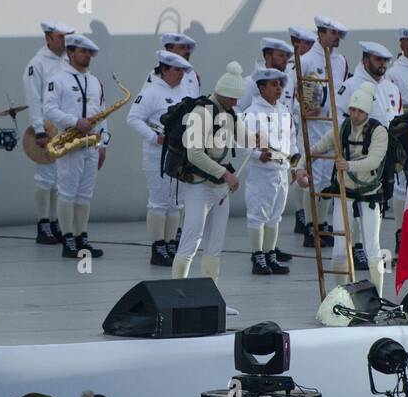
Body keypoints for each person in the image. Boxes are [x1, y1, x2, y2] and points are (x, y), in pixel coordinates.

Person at [303, 81, 390, 293]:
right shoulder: (341, 128)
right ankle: (341, 295)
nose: (355, 114)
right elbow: (317, 148)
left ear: (367, 112)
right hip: (344, 193)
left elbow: (374, 161)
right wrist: (300, 166)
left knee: (372, 247)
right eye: (352, 109)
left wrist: (348, 165)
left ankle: (377, 296)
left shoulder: (379, 132)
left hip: (370, 194)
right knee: (340, 250)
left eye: (360, 111)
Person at [171, 62, 245, 282]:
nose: (236, 102)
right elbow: (194, 154)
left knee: (215, 245)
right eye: (232, 98)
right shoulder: (201, 113)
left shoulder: (229, 112)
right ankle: (177, 294)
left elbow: (243, 137)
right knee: (190, 242)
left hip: (219, 189)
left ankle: (212, 297)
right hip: (198, 186)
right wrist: (226, 174)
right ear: (221, 93)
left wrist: (258, 139)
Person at [335, 40, 403, 270]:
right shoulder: (351, 85)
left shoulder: (391, 87)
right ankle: (357, 248)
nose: (382, 64)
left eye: (385, 60)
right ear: (366, 60)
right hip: (356, 155)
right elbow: (338, 121)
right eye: (377, 60)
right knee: (354, 205)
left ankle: (369, 246)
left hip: (385, 155)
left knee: (378, 204)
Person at [42, 33, 110, 259]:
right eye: (82, 51)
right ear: (70, 52)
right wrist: (74, 122)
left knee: (85, 195)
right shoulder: (58, 79)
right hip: (70, 142)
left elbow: (103, 114)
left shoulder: (95, 81)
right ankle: (68, 239)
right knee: (67, 193)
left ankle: (82, 238)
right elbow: (49, 110)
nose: (87, 56)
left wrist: (104, 143)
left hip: (91, 144)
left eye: (89, 52)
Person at [126, 50, 194, 266]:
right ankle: (158, 248)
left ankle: (171, 243)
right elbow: (133, 118)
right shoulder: (151, 92)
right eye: (176, 70)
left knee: (176, 202)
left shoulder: (186, 91)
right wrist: (154, 137)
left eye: (183, 70)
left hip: (179, 154)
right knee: (158, 202)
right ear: (164, 69)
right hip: (157, 155)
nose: (181, 74)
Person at [241, 66, 298, 275]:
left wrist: (295, 165)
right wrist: (257, 154)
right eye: (273, 84)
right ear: (261, 87)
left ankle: (270, 254)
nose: (279, 88)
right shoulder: (251, 113)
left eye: (280, 84)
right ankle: (258, 256)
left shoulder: (284, 111)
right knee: (258, 215)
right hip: (261, 172)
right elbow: (241, 142)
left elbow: (291, 140)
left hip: (281, 171)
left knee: (275, 215)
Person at [24, 20, 76, 245]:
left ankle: (55, 221)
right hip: (48, 127)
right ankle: (43, 222)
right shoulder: (38, 64)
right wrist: (39, 129)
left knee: (60, 178)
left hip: (66, 127)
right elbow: (33, 98)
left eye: (67, 37)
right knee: (45, 177)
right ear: (48, 38)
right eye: (60, 37)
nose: (65, 41)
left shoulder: (69, 61)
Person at [299, 16, 350, 246]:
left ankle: (323, 224)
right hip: (313, 127)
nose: (336, 37)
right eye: (332, 33)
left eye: (339, 34)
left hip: (333, 126)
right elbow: (294, 94)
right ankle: (311, 226)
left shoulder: (341, 62)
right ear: (320, 33)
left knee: (329, 178)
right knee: (313, 178)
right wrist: (304, 111)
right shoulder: (306, 60)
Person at [287, 25, 319, 236]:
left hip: (310, 126)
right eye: (306, 43)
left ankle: (308, 218)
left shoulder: (314, 67)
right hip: (293, 126)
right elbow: (288, 100)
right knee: (298, 169)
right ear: (296, 44)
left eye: (311, 43)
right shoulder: (291, 68)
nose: (309, 47)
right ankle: (301, 214)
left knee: (308, 170)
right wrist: (302, 110)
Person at [145, 32, 202, 98]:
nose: (187, 51)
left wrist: (209, 107)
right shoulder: (157, 75)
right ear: (170, 50)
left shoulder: (192, 73)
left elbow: (199, 101)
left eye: (188, 48)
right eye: (182, 47)